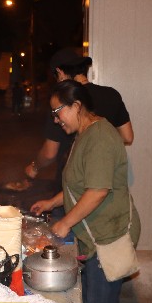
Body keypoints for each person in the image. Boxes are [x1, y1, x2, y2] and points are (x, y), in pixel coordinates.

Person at [31, 80, 140, 303]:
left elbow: (98, 191)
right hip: (95, 234)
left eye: (58, 112)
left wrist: (66, 222)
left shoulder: (100, 137)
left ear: (76, 106)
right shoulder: (84, 134)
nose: (56, 120)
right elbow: (79, 185)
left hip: (109, 235)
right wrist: (52, 202)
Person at [19, 48, 133, 213]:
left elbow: (50, 153)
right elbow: (127, 137)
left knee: (66, 226)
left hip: (73, 190)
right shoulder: (111, 95)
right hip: (107, 185)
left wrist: (35, 167)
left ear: (60, 72)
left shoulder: (63, 104)